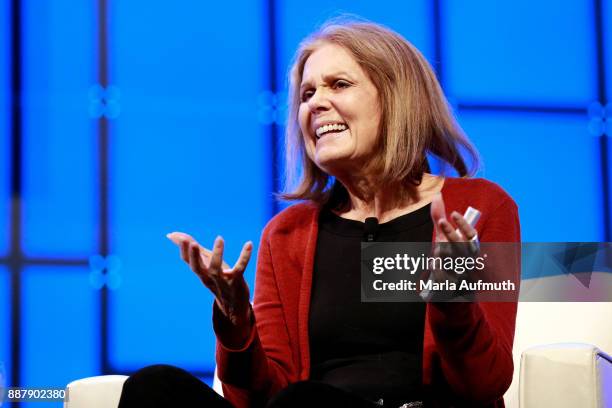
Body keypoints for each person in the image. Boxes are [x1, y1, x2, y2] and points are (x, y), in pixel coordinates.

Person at [119, 19, 520, 408]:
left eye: (339, 85)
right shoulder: (287, 233)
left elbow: (484, 384)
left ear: (397, 98)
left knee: (306, 402)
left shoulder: (478, 208)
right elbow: (258, 398)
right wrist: (236, 318)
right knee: (154, 388)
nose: (316, 104)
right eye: (307, 93)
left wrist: (452, 297)